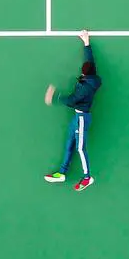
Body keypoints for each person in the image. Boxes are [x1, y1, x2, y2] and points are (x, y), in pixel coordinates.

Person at [43, 30, 101, 191]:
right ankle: (62, 173)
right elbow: (90, 61)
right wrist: (86, 42)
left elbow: (71, 100)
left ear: (84, 73)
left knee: (80, 147)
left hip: (82, 119)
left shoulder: (84, 89)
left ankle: (88, 177)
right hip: (77, 118)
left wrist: (55, 97)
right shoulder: (92, 77)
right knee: (69, 142)